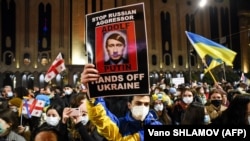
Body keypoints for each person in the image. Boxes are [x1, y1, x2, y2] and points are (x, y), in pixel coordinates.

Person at [81, 64, 162, 141]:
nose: (143, 107)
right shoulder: (121, 124)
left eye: (146, 104)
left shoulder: (156, 125)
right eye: (138, 103)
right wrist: (92, 91)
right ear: (129, 105)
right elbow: (102, 119)